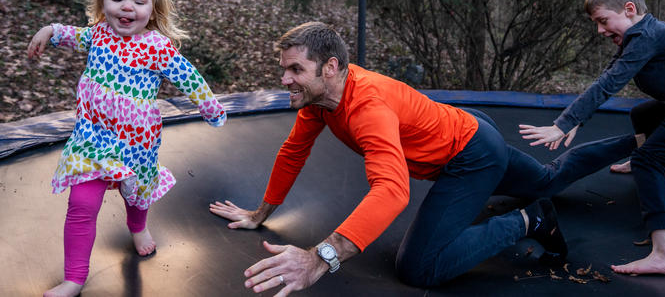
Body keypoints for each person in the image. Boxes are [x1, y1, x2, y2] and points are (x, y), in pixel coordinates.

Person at [209, 21, 638, 294]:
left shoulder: (367, 107)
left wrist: (320, 257)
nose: (285, 79)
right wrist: (260, 212)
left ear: (330, 67)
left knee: (420, 268)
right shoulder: (318, 101)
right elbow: (292, 151)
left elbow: (392, 192)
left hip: (470, 155)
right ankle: (639, 141)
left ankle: (531, 219)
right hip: (465, 127)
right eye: (283, 69)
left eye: (295, 70)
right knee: (544, 177)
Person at [27, 0, 227, 297]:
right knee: (81, 206)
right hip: (91, 138)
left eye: (138, 1)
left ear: (152, 9)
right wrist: (49, 31)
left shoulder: (157, 46)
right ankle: (74, 278)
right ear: (103, 3)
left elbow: (189, 77)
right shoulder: (99, 34)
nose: (127, 8)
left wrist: (210, 107)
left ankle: (138, 227)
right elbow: (73, 34)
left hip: (137, 143)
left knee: (136, 196)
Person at [519, 0, 665, 277]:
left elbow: (609, 84)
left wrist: (564, 123)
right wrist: (577, 120)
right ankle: (654, 160)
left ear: (629, 9)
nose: (600, 30)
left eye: (603, 21)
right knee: (642, 116)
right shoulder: (641, 35)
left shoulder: (648, 37)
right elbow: (611, 71)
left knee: (648, 161)